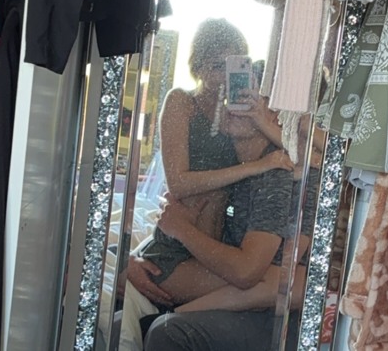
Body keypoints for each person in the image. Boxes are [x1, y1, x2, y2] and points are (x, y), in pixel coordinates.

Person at [117, 19, 293, 350]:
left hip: (211, 251)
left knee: (277, 281)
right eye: (215, 66)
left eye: (232, 66)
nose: (223, 76)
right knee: (274, 283)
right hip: (175, 253)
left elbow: (301, 151)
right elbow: (179, 183)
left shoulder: (237, 117)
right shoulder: (181, 102)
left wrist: (261, 125)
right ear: (197, 68)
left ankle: (163, 320)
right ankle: (161, 322)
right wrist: (255, 167)